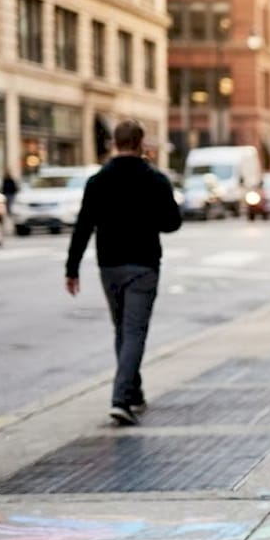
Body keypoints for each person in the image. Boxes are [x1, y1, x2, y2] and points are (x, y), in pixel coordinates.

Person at [64, 119, 182, 426]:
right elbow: (172, 223)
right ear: (141, 143)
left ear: (115, 143)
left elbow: (84, 225)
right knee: (133, 332)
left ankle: (134, 392)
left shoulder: (98, 181)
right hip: (143, 265)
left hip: (110, 265)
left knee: (124, 330)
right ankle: (120, 399)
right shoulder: (155, 179)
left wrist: (72, 267)